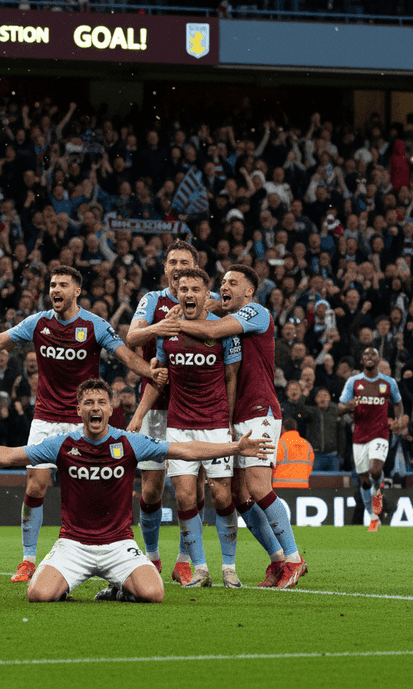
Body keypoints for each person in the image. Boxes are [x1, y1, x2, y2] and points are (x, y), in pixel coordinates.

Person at [0, 378, 273, 602]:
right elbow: (10, 456)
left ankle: (119, 588)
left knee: (155, 595)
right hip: (73, 544)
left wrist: (232, 448)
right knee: (38, 596)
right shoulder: (61, 444)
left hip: (119, 544)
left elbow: (185, 450)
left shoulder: (130, 442)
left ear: (111, 408)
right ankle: (67, 581)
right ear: (78, 410)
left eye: (100, 402)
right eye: (88, 402)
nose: (95, 408)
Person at [0, 265, 166, 584]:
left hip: (83, 419)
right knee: (35, 485)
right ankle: (28, 559)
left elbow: (125, 355)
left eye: (62, 285)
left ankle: (113, 550)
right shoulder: (38, 322)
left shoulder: (94, 325)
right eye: (52, 285)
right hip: (45, 417)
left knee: (98, 485)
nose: (55, 290)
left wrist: (149, 372)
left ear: (77, 291)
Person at [171, 265, 308, 589]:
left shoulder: (256, 312)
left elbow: (212, 331)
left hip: (259, 411)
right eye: (222, 283)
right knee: (240, 496)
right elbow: (209, 301)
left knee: (259, 487)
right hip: (232, 415)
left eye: (233, 283)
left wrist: (169, 325)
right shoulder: (225, 311)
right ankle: (277, 560)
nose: (224, 287)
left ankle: (294, 560)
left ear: (249, 291)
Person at [130, 267, 242, 589]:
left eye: (196, 289)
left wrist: (230, 421)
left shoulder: (224, 331)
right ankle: (201, 568)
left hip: (216, 423)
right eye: (184, 289)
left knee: (221, 495)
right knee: (184, 498)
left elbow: (231, 377)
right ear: (176, 294)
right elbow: (159, 377)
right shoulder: (168, 334)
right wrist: (138, 416)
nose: (189, 294)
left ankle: (230, 567)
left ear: (208, 295)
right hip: (178, 426)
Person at [125, 240, 207, 577]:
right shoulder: (152, 301)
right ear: (165, 268)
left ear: (195, 267)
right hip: (156, 407)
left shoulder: (205, 302)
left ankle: (184, 562)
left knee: (194, 489)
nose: (177, 267)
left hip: (195, 409)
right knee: (151, 489)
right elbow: (131, 338)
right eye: (172, 262)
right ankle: (153, 556)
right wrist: (162, 327)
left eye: (184, 262)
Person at [338, 347, 403, 532]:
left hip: (380, 433)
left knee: (375, 470)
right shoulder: (354, 382)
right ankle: (373, 517)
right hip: (359, 435)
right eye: (366, 354)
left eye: (373, 354)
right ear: (362, 359)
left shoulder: (388, 383)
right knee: (364, 480)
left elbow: (398, 403)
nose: (369, 357)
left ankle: (379, 484)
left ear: (378, 359)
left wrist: (398, 420)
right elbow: (340, 406)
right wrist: (348, 407)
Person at [272, 418, 315, 489]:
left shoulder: (279, 444)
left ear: (282, 428)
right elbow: (310, 466)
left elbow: (270, 466)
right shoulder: (307, 445)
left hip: (280, 488)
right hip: (302, 487)